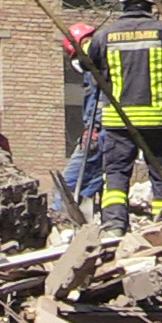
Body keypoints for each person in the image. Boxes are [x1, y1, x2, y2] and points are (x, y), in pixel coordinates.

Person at [85, 0, 162, 235]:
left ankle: (114, 225)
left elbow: (90, 71)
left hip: (119, 121)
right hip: (159, 120)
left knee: (117, 174)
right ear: (149, 4)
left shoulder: (103, 35)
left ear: (123, 3)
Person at [59, 22, 104, 210]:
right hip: (108, 131)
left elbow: (97, 98)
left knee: (67, 185)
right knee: (95, 179)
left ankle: (62, 218)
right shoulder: (103, 58)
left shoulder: (94, 63)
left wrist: (94, 128)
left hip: (100, 131)